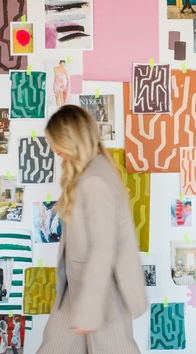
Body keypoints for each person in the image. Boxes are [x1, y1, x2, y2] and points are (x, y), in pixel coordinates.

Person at [37, 105, 148, 353]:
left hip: (102, 295)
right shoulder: (87, 172)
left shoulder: (95, 179)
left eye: (56, 143)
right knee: (53, 347)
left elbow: (104, 246)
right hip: (76, 290)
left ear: (72, 141)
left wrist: (89, 308)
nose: (54, 150)